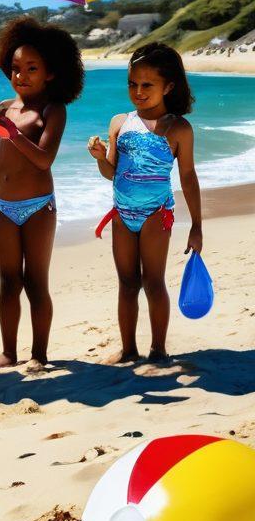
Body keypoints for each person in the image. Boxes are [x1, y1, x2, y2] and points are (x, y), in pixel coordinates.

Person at [0, 17, 84, 370]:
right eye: (15, 68)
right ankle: (9, 352)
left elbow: (44, 160)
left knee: (35, 282)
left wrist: (11, 133)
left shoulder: (52, 110)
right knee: (8, 281)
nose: (21, 75)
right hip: (2, 206)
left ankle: (40, 353)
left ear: (51, 73)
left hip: (38, 206)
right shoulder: (2, 109)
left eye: (31, 68)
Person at [88, 42, 201, 364]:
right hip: (122, 213)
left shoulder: (177, 128)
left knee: (153, 281)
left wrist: (196, 225)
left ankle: (158, 349)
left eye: (147, 85)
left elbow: (189, 177)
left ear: (168, 86)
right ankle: (128, 349)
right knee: (126, 283)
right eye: (132, 84)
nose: (138, 91)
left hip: (156, 214)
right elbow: (112, 173)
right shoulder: (120, 123)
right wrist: (99, 158)